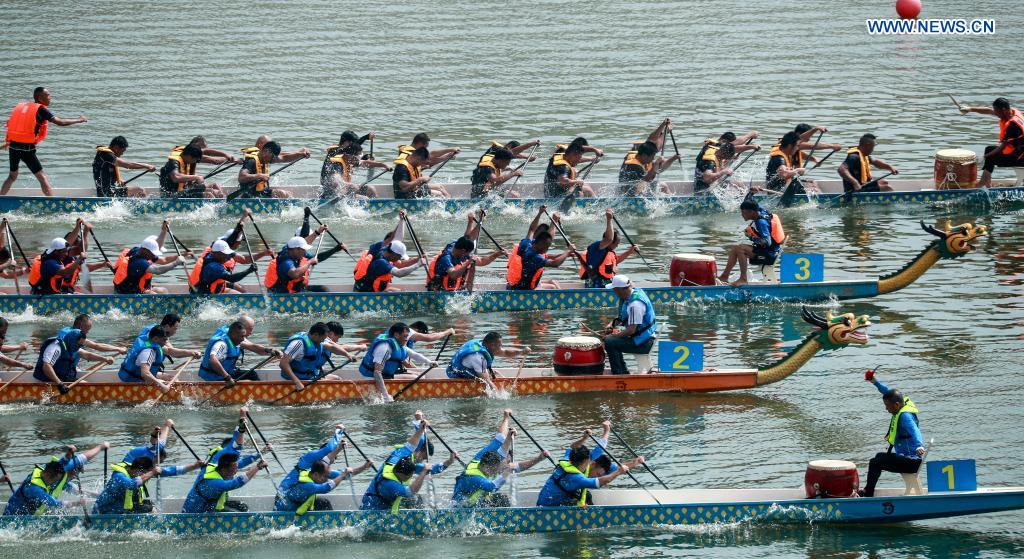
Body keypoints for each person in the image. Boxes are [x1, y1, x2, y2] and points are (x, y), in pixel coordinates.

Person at [451, 409, 549, 507]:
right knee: (502, 501)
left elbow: (500, 439)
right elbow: (492, 487)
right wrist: (506, 472)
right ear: (487, 467)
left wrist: (539, 458)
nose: (498, 471)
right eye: (496, 469)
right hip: (463, 506)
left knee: (502, 499)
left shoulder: (482, 459)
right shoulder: (475, 478)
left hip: (478, 499)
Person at [2, 87, 88, 197]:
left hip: (14, 146)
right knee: (42, 177)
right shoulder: (41, 110)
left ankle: (1, 198)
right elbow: (60, 122)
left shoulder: (24, 107)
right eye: (48, 95)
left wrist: (9, 141)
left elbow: (16, 126)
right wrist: (79, 120)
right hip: (26, 149)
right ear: (40, 97)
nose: (50, 98)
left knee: (12, 176)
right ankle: (52, 202)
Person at [360, 413, 458, 511]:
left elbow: (413, 446)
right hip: (374, 508)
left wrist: (449, 461)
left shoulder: (399, 456)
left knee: (416, 499)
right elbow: (411, 491)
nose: (422, 460)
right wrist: (423, 473)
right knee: (414, 498)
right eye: (423, 457)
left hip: (387, 500)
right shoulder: (390, 484)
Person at [275, 425, 373, 514]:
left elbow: (344, 474)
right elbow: (330, 448)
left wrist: (364, 467)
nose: (332, 462)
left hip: (299, 500)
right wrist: (339, 431)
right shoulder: (309, 459)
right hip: (284, 501)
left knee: (324, 503)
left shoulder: (319, 468)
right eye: (332, 459)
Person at [109, 419, 204, 512]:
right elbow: (156, 444)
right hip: (121, 493)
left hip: (127, 488)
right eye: (158, 461)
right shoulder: (143, 456)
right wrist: (161, 429)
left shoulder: (151, 457)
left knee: (148, 504)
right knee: (146, 506)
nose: (157, 464)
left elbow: (172, 470)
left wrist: (195, 466)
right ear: (154, 455)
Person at [536, 428, 643, 507]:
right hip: (548, 508)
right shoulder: (575, 477)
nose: (589, 463)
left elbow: (572, 447)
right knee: (585, 497)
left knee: (586, 495)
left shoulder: (567, 459)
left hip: (543, 501)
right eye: (587, 463)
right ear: (582, 463)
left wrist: (585, 438)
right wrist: (618, 472)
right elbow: (599, 483)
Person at [859, 371, 925, 497]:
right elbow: (888, 392)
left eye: (887, 406)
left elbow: (914, 430)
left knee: (875, 462)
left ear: (896, 404)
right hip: (909, 459)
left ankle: (868, 493)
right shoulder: (901, 403)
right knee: (878, 456)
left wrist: (919, 445)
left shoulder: (905, 416)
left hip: (911, 462)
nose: (886, 409)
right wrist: (875, 382)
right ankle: (869, 489)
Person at [2, 442, 109, 515]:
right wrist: (78, 503)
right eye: (74, 475)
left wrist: (100, 447)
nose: (74, 478)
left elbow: (81, 458)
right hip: (15, 515)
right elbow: (55, 504)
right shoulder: (35, 488)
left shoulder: (55, 470)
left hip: (34, 511)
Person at [33, 314, 125, 391]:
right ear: (81, 327)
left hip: (63, 375)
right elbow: (46, 366)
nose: (88, 332)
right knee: (88, 388)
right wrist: (60, 384)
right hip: (50, 379)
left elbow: (87, 355)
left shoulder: (73, 341)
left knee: (84, 381)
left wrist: (104, 359)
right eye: (87, 329)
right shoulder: (57, 347)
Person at [188, 213, 274, 293]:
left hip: (212, 283)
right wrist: (249, 270)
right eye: (239, 242)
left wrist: (244, 218)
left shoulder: (219, 249)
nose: (227, 257)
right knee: (241, 293)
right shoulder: (215, 265)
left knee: (241, 290)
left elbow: (237, 232)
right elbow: (231, 278)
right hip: (204, 293)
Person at [426, 211, 504, 291]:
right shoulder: (446, 259)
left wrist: (479, 221)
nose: (469, 254)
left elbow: (470, 238)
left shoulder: (457, 246)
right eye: (468, 252)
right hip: (438, 293)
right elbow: (453, 275)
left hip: (453, 290)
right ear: (463, 251)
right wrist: (468, 262)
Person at [359, 322, 436, 402]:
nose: (407, 339)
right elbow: (377, 373)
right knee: (420, 378)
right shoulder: (384, 347)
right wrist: (385, 395)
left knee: (419, 374)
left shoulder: (398, 344)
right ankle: (413, 397)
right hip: (372, 377)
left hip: (386, 374)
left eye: (407, 336)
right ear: (396, 335)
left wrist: (429, 362)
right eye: (405, 336)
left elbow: (414, 355)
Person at [959, 97, 1024, 187]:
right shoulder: (1011, 111)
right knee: (989, 149)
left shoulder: (1012, 125)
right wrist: (969, 109)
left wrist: (983, 157)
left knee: (991, 157)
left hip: (1020, 158)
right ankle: (987, 180)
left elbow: (1002, 147)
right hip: (1017, 151)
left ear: (1003, 110)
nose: (995, 113)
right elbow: (989, 111)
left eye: (996, 111)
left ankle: (983, 182)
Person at [507, 206, 576, 290]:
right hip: (522, 291)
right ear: (540, 244)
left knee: (553, 282)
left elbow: (532, 229)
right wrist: (568, 251)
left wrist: (540, 213)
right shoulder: (534, 257)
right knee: (552, 287)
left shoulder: (527, 243)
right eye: (546, 247)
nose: (547, 249)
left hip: (515, 285)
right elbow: (555, 264)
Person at [718, 200, 786, 286]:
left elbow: (767, 242)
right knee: (735, 248)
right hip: (770, 251)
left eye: (744, 213)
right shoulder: (760, 210)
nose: (742, 215)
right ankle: (724, 276)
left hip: (769, 255)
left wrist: (751, 237)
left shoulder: (761, 223)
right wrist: (751, 193)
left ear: (752, 212)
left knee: (740, 249)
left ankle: (743, 279)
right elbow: (748, 202)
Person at [602, 275, 657, 374]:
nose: (614, 292)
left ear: (619, 290)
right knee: (612, 339)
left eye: (614, 289)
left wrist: (614, 336)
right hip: (643, 337)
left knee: (609, 342)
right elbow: (623, 317)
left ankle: (619, 373)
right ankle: (622, 370)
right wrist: (612, 325)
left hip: (644, 342)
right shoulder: (631, 293)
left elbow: (631, 330)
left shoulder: (635, 305)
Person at [279, 322, 356, 391]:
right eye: (323, 339)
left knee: (337, 379)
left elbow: (332, 347)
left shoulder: (319, 338)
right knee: (335, 383)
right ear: (316, 334)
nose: (323, 341)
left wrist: (348, 355)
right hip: (296, 380)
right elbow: (283, 363)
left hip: (309, 377)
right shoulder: (298, 343)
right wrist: (297, 382)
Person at [199, 320, 283, 383]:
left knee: (252, 374)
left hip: (226, 373)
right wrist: (227, 378)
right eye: (242, 336)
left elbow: (254, 347)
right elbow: (213, 361)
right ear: (234, 335)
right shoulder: (221, 344)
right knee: (250, 377)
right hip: (213, 377)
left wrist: (270, 351)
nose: (243, 339)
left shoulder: (236, 339)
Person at [181, 453, 267, 513]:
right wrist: (258, 467)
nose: (236, 472)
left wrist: (262, 452)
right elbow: (237, 483)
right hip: (195, 514)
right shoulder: (215, 483)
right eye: (233, 470)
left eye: (236, 468)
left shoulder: (215, 466)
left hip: (208, 507)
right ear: (223, 470)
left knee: (243, 507)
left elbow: (242, 462)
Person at [264, 231, 345, 294]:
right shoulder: (286, 261)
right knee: (320, 293)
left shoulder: (295, 251)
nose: (305, 252)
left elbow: (317, 258)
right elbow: (294, 274)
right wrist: (309, 262)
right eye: (303, 249)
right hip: (282, 294)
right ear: (295, 249)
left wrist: (336, 249)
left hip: (296, 289)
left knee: (323, 289)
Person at [446, 332, 530, 392]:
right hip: (456, 375)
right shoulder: (478, 357)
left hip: (465, 367)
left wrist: (521, 352)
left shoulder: (482, 343)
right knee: (488, 380)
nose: (501, 348)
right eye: (499, 346)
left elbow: (505, 352)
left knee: (495, 373)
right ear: (492, 345)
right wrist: (501, 397)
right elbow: (488, 383)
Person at [112, 230, 187, 294]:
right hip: (127, 292)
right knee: (157, 295)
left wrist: (181, 255)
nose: (154, 255)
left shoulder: (137, 250)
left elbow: (164, 260)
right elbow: (158, 270)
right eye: (152, 252)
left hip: (128, 287)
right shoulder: (140, 262)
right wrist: (176, 263)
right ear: (145, 251)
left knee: (164, 291)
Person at [619, 119, 680, 195]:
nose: (653, 159)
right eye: (652, 156)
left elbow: (651, 140)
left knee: (661, 185)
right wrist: (656, 165)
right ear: (644, 155)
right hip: (631, 193)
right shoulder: (635, 166)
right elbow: (648, 179)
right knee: (662, 186)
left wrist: (673, 158)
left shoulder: (642, 156)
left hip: (638, 188)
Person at [321, 130, 390, 198]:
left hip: (345, 187)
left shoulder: (348, 157)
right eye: (353, 144)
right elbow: (334, 180)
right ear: (347, 142)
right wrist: (366, 137)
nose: (354, 145)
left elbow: (363, 162)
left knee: (371, 189)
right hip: (333, 190)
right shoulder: (335, 155)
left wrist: (383, 165)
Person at [580, 209, 639, 288]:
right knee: (629, 285)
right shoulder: (597, 247)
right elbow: (609, 239)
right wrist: (609, 219)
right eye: (616, 243)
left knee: (629, 283)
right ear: (610, 242)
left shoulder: (609, 252)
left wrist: (630, 251)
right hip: (596, 284)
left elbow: (616, 260)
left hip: (605, 283)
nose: (617, 246)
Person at [236, 140, 311, 199]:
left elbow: (284, 158)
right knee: (283, 194)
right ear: (266, 151)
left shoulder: (265, 157)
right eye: (272, 157)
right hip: (250, 195)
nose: (273, 160)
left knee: (287, 194)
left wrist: (301, 154)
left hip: (261, 192)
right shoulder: (251, 161)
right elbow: (242, 177)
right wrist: (260, 176)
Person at [91, 456, 162, 514]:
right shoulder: (119, 476)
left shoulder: (133, 472)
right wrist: (152, 472)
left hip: (120, 506)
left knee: (149, 505)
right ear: (139, 470)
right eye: (145, 474)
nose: (146, 477)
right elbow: (131, 484)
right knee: (147, 508)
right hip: (105, 511)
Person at [117, 325, 175, 392]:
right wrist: (162, 385)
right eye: (164, 340)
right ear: (155, 339)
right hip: (133, 381)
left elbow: (169, 351)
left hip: (132, 376)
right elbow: (145, 373)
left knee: (171, 378)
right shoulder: (148, 351)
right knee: (173, 383)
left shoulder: (147, 342)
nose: (165, 343)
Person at [158, 143, 225, 198]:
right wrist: (196, 177)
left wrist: (228, 159)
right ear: (189, 156)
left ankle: (225, 201)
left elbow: (213, 159)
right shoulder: (173, 163)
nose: (194, 162)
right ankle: (219, 208)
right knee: (209, 194)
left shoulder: (185, 157)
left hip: (182, 191)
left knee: (214, 186)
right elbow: (176, 177)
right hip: (171, 196)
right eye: (195, 160)